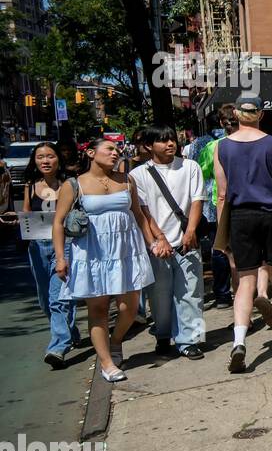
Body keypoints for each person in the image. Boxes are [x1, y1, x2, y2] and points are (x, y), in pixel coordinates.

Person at [214, 96, 272, 372]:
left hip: (240, 217)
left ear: (236, 114)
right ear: (261, 114)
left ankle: (239, 341)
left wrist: (224, 231)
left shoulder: (222, 147)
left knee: (245, 282)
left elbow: (222, 195)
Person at [51, 137, 156, 383]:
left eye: (117, 150)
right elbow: (58, 222)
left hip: (126, 249)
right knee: (97, 308)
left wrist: (151, 242)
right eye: (109, 149)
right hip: (92, 253)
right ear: (90, 153)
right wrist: (60, 257)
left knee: (130, 307)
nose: (115, 153)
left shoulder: (127, 180)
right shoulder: (74, 184)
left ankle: (116, 340)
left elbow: (138, 215)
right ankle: (107, 363)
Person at [0, 142, 81, 367]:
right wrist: (16, 218)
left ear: (58, 159)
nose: (45, 161)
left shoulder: (70, 183)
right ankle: (70, 331)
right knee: (45, 300)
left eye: (50, 156)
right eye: (40, 157)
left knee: (58, 299)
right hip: (37, 246)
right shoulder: (29, 184)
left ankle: (57, 347)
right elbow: (27, 212)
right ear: (34, 161)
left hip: (65, 245)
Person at [131, 125, 206, 360]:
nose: (170, 144)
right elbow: (143, 212)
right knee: (159, 295)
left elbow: (197, 201)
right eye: (163, 141)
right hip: (158, 246)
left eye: (172, 139)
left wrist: (191, 230)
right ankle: (162, 335)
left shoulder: (190, 167)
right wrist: (158, 239)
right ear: (148, 146)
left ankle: (191, 340)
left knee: (192, 293)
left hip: (187, 240)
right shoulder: (138, 174)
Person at [191, 107, 234, 307]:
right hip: (225, 204)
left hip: (222, 204)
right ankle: (232, 293)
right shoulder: (212, 146)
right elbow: (201, 172)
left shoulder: (212, 145)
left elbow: (201, 172)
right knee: (227, 251)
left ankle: (229, 293)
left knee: (223, 250)